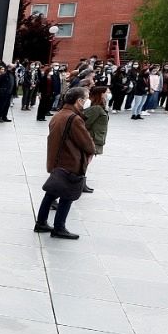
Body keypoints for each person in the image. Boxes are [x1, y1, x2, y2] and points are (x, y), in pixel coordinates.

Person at [35, 87, 95, 241]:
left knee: (51, 193)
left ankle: (41, 223)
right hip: (70, 162)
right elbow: (87, 144)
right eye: (85, 98)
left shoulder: (59, 114)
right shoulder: (74, 118)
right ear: (79, 100)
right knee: (67, 196)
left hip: (57, 161)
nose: (87, 101)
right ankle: (59, 227)